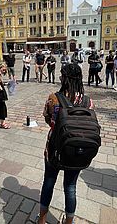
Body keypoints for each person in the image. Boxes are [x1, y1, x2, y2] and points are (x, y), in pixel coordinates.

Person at [37, 64, 94, 224]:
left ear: (65, 78)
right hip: (77, 151)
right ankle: (69, 222)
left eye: (62, 75)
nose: (60, 77)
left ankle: (42, 219)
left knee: (48, 181)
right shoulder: (88, 101)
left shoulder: (54, 98)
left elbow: (48, 118)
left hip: (54, 148)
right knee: (70, 186)